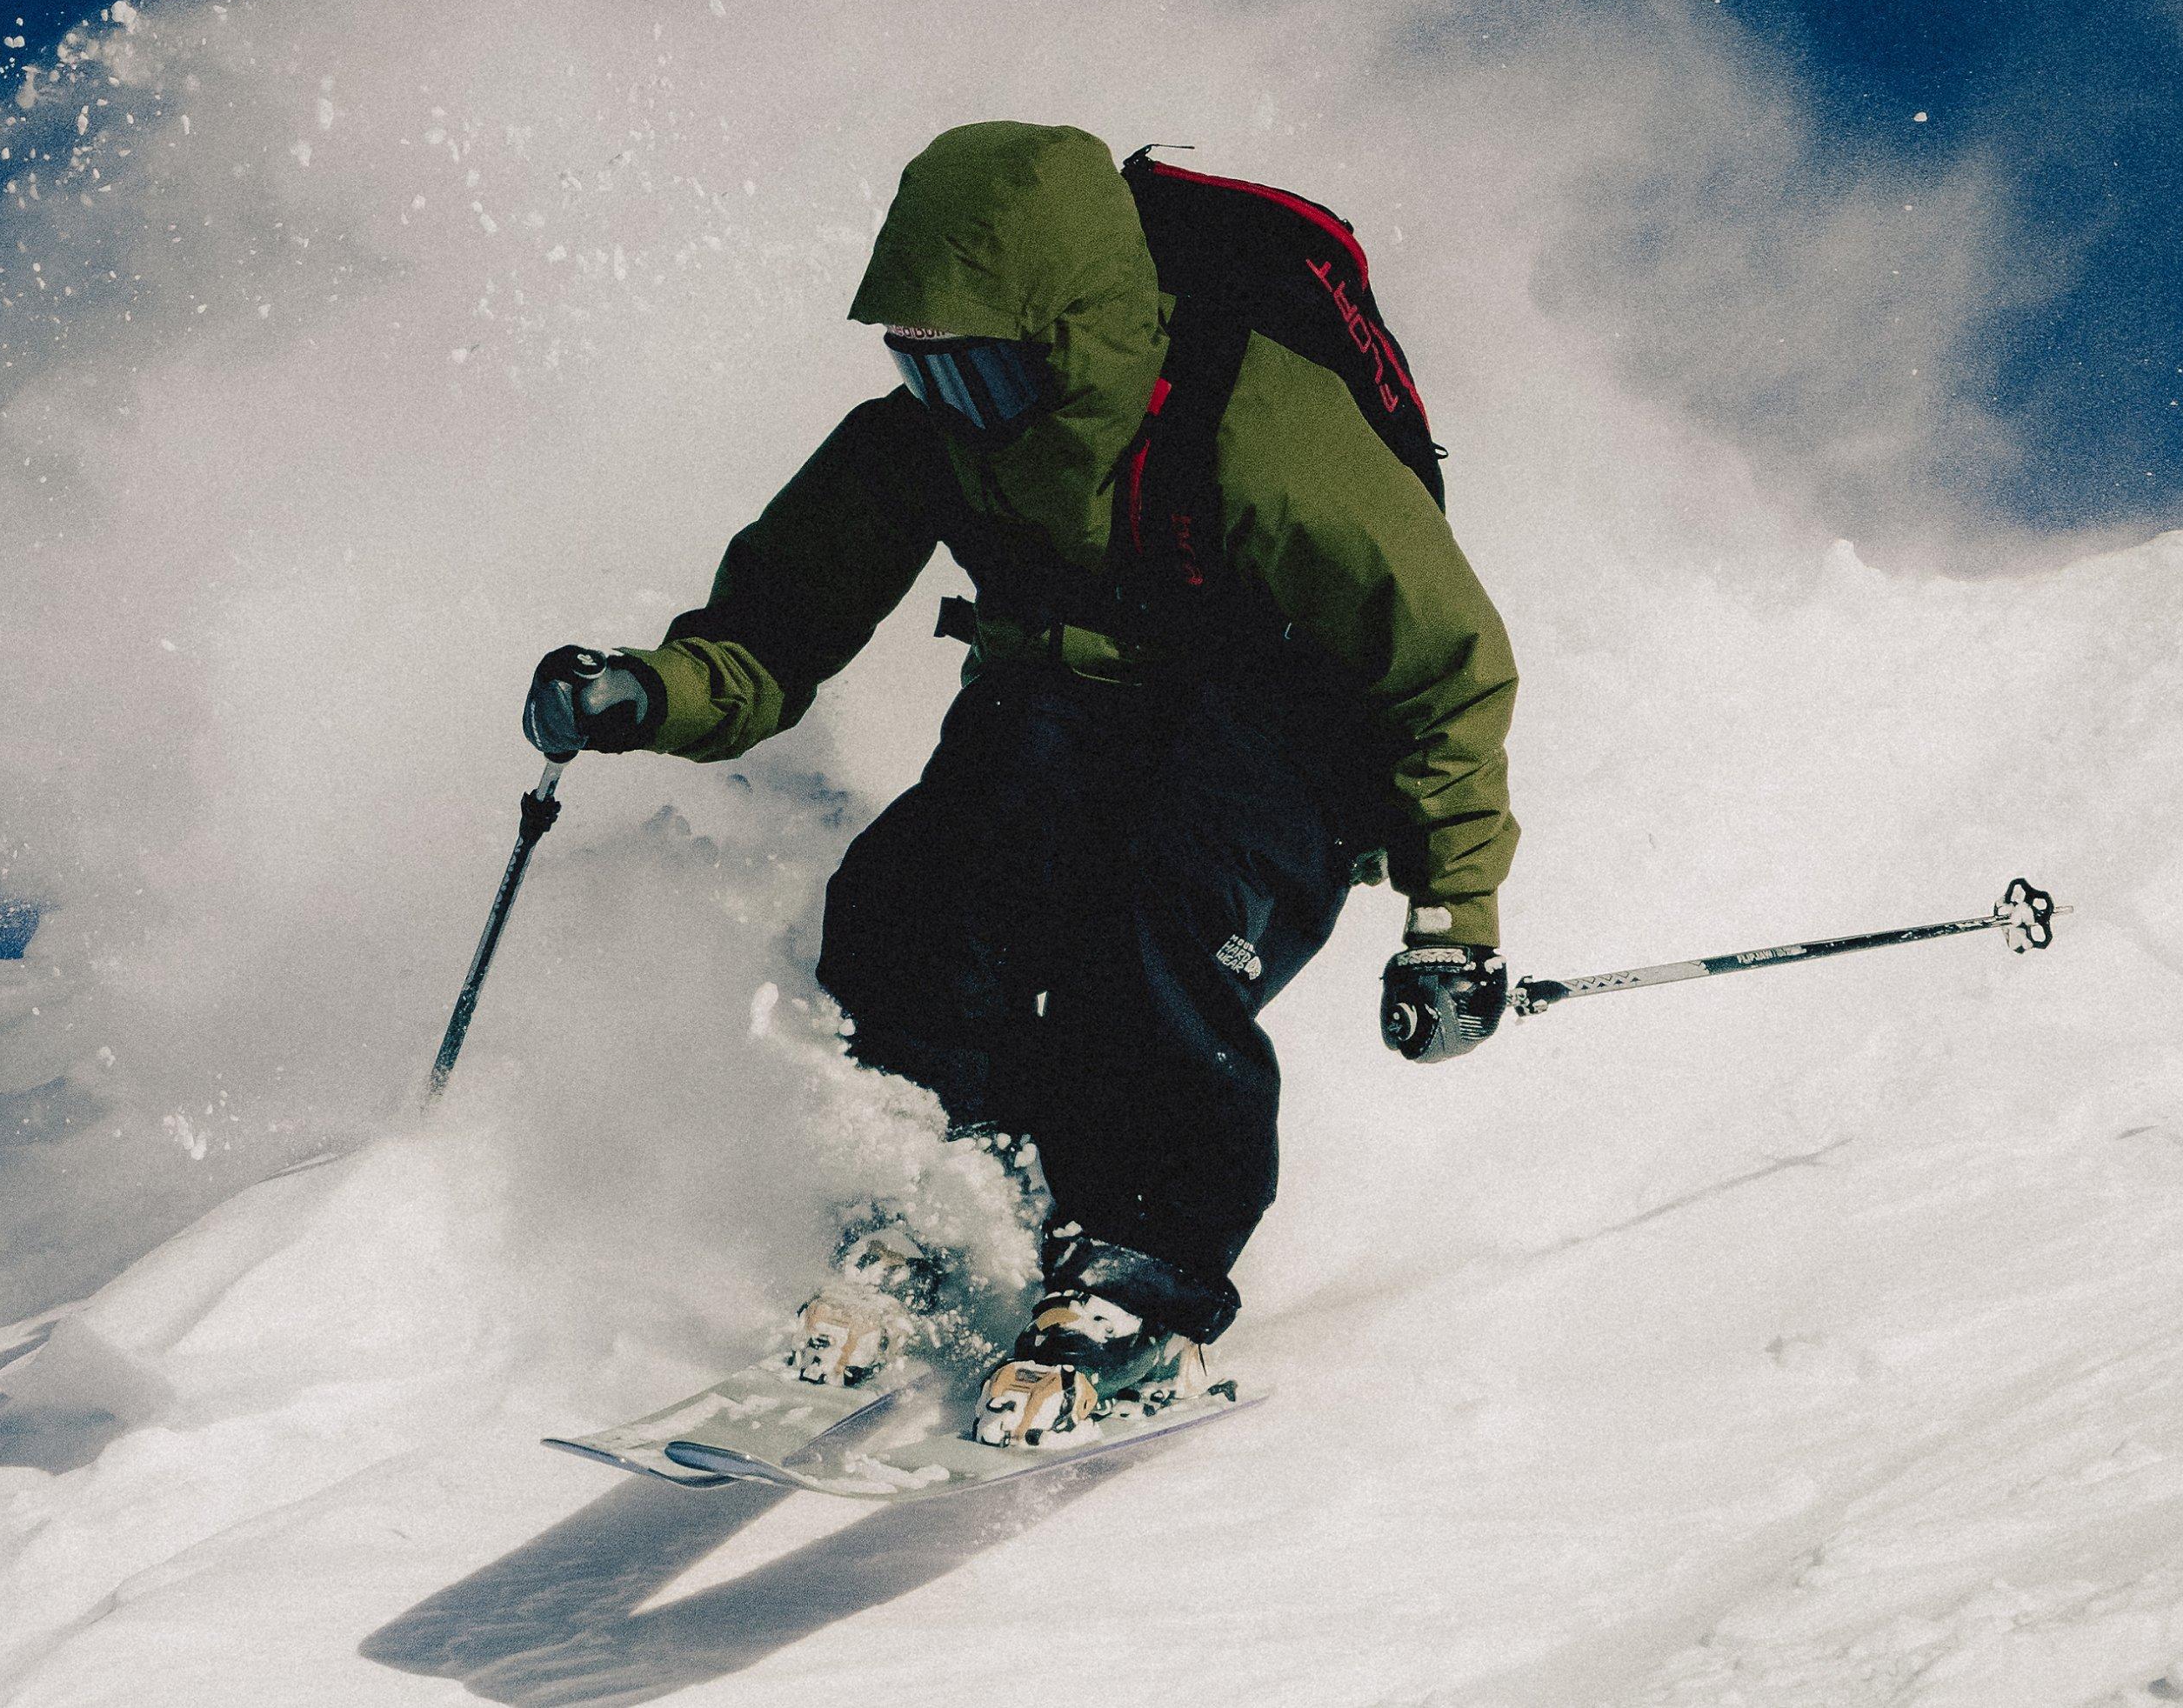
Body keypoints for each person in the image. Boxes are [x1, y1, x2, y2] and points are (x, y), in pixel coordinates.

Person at [525, 121, 1519, 1444]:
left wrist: (1455, 919)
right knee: (913, 892)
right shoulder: (934, 438)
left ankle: (1139, 1274)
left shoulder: (1256, 420)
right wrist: (650, 693)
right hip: (1075, 709)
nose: (953, 402)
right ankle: (939, 1198)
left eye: (982, 369)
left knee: (1151, 932)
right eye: (921, 366)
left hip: (1281, 730)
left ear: (1073, 337)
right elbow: (773, 631)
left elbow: (1445, 659)